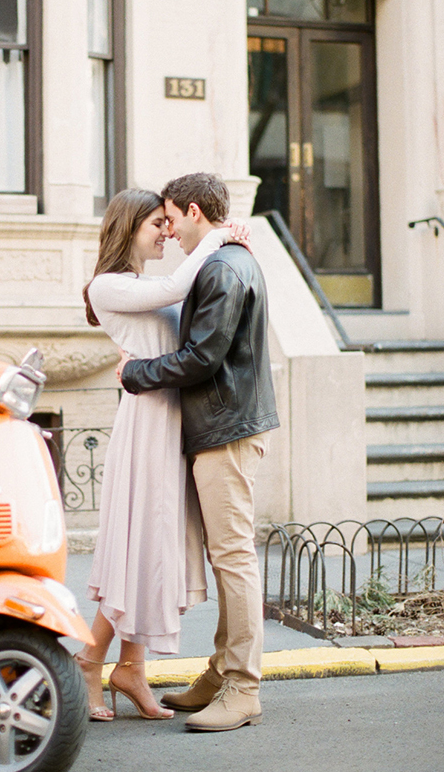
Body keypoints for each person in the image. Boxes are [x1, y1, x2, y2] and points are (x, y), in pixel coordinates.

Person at [78, 188, 250, 722]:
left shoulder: (145, 285)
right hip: (149, 420)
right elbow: (180, 285)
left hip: (176, 417)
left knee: (155, 545)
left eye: (169, 222)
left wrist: (226, 249)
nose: (167, 232)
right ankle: (88, 660)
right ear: (129, 226)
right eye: (157, 223)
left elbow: (190, 307)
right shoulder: (108, 285)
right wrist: (219, 234)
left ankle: (132, 667)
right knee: (139, 542)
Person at [117, 172, 279, 733]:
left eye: (171, 219)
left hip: (227, 428)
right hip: (225, 424)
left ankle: (243, 688)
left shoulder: (222, 268)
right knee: (227, 556)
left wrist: (134, 373)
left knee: (234, 557)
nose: (169, 232)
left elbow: (200, 358)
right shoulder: (225, 261)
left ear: (192, 211)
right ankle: (219, 675)